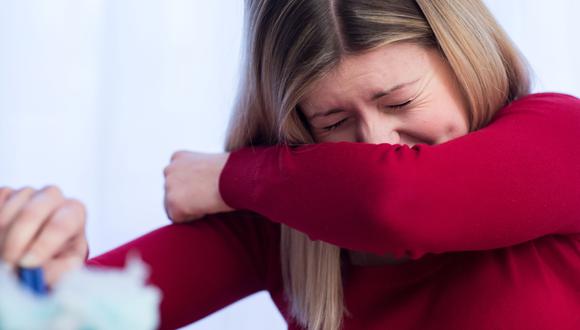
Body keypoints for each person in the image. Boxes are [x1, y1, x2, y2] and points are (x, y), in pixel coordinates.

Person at [1, 1, 579, 329]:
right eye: (331, 124)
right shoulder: (285, 219)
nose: (372, 142)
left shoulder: (560, 135)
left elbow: (396, 201)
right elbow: (75, 319)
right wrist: (33, 274)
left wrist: (227, 175)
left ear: (464, 58)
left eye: (399, 102)